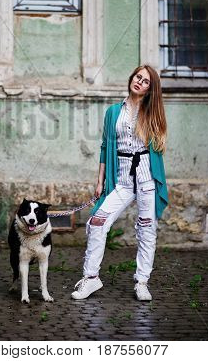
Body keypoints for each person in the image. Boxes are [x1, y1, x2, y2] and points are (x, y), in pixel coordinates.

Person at [71, 65, 168, 301]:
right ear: (131, 78)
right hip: (122, 181)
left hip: (146, 179)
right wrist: (100, 180)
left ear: (150, 88)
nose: (140, 82)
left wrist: (147, 114)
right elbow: (105, 147)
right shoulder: (114, 111)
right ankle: (91, 278)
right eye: (138, 77)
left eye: (146, 81)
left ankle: (142, 281)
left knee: (147, 230)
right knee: (97, 222)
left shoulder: (152, 113)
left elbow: (159, 144)